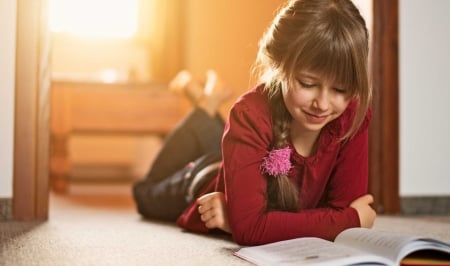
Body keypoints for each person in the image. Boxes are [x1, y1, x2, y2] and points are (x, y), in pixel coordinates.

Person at [133, 0, 376, 246]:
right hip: (203, 176)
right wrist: (348, 221)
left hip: (240, 154)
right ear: (278, 66)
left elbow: (343, 209)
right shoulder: (249, 114)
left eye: (340, 89)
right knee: (144, 195)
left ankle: (207, 106)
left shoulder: (353, 116)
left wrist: (243, 221)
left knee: (228, 144)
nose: (322, 104)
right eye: (308, 84)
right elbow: (252, 229)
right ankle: (204, 110)